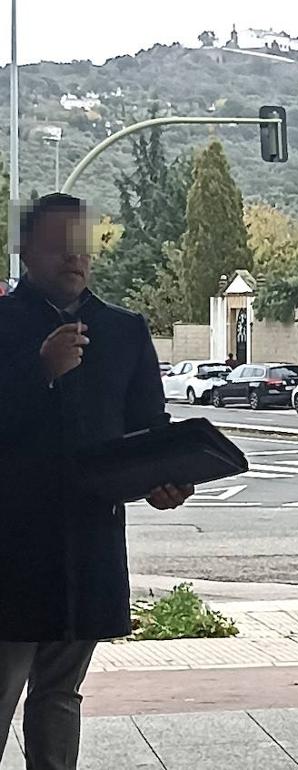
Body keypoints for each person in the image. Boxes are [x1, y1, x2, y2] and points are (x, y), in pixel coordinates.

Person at [0, 193, 194, 769]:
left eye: (82, 245)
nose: (74, 257)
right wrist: (39, 370)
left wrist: (165, 478)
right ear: (25, 249)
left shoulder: (124, 330)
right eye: (58, 245)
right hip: (11, 546)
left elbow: (146, 429)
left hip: (88, 542)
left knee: (61, 694)